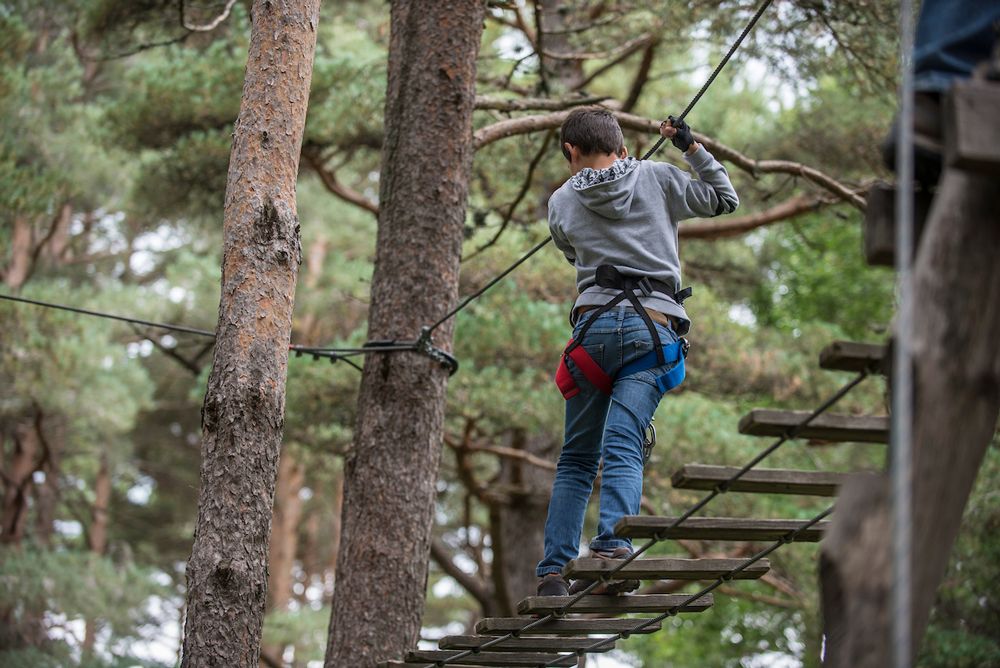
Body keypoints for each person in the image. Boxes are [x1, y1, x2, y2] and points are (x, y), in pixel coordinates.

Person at [537, 107, 738, 597]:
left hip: (593, 335)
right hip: (652, 329)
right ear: (623, 146)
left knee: (577, 459)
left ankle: (553, 573)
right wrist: (689, 146)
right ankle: (611, 550)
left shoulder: (561, 201)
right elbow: (724, 199)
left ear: (570, 152)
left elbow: (571, 253)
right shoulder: (659, 177)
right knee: (623, 446)